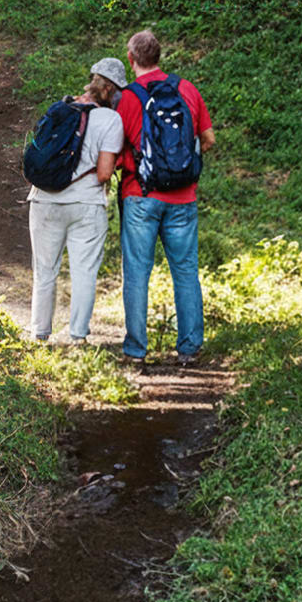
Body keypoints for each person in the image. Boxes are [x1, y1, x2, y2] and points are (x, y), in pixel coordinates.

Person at [113, 24, 214, 365]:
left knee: (137, 273)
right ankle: (189, 350)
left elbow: (113, 151)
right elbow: (209, 139)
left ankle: (136, 351)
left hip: (140, 195)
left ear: (131, 59)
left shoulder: (128, 98)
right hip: (184, 198)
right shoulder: (187, 89)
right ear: (159, 57)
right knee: (185, 272)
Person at [25, 56, 129, 346]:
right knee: (84, 271)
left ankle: (39, 333)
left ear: (93, 80)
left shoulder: (61, 109)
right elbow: (105, 172)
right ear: (113, 90)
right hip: (86, 204)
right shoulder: (111, 120)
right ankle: (77, 336)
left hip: (44, 200)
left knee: (45, 270)